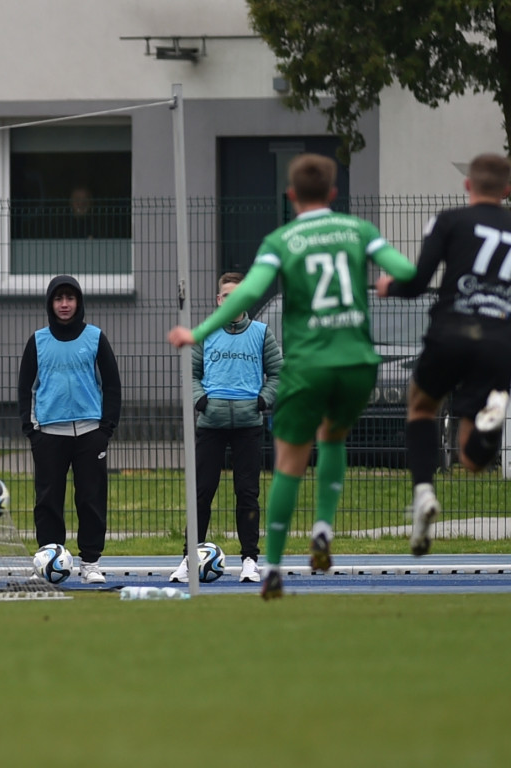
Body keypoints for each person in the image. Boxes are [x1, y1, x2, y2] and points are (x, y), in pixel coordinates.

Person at [168, 153, 417, 599]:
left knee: (288, 462)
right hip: (359, 360)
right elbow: (407, 273)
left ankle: (275, 565)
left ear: (290, 196)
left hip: (311, 364)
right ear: (334, 195)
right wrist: (393, 287)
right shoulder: (360, 230)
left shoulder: (283, 239)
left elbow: (247, 290)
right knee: (334, 438)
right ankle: (323, 524)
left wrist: (197, 330)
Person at [376, 153, 511, 556]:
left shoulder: (449, 220)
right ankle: (487, 423)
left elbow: (418, 282)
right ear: (508, 191)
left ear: (468, 186)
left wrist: (389, 288)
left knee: (420, 406)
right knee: (474, 462)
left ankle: (423, 491)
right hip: (499, 340)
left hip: (452, 330)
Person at [168, 271, 282, 585]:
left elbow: (277, 373)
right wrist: (201, 401)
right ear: (219, 300)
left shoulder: (261, 333)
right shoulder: (206, 332)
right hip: (211, 424)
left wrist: (262, 401)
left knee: (247, 494)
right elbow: (188, 373)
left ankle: (249, 560)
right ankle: (189, 559)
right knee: (201, 493)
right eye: (226, 296)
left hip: (248, 425)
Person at [18, 274, 121, 584]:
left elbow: (112, 384)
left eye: (70, 298)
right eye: (58, 299)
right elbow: (25, 387)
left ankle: (90, 562)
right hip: (48, 433)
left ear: (79, 302)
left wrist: (106, 428)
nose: (64, 304)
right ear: (51, 304)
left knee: (91, 498)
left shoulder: (95, 338)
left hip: (91, 432)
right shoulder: (38, 340)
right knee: (48, 499)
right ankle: (49, 558)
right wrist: (31, 429)